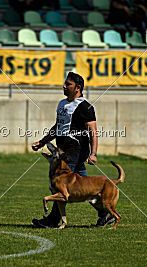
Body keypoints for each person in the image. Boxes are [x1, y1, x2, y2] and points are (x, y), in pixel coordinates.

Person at [31, 72, 115, 228]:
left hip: (75, 151)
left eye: (68, 84)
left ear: (78, 88)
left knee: (61, 184)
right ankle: (106, 214)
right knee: (85, 188)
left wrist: (94, 153)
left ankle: (53, 220)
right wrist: (42, 142)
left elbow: (93, 132)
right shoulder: (62, 104)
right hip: (63, 150)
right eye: (64, 83)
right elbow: (58, 127)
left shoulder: (85, 106)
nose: (64, 86)